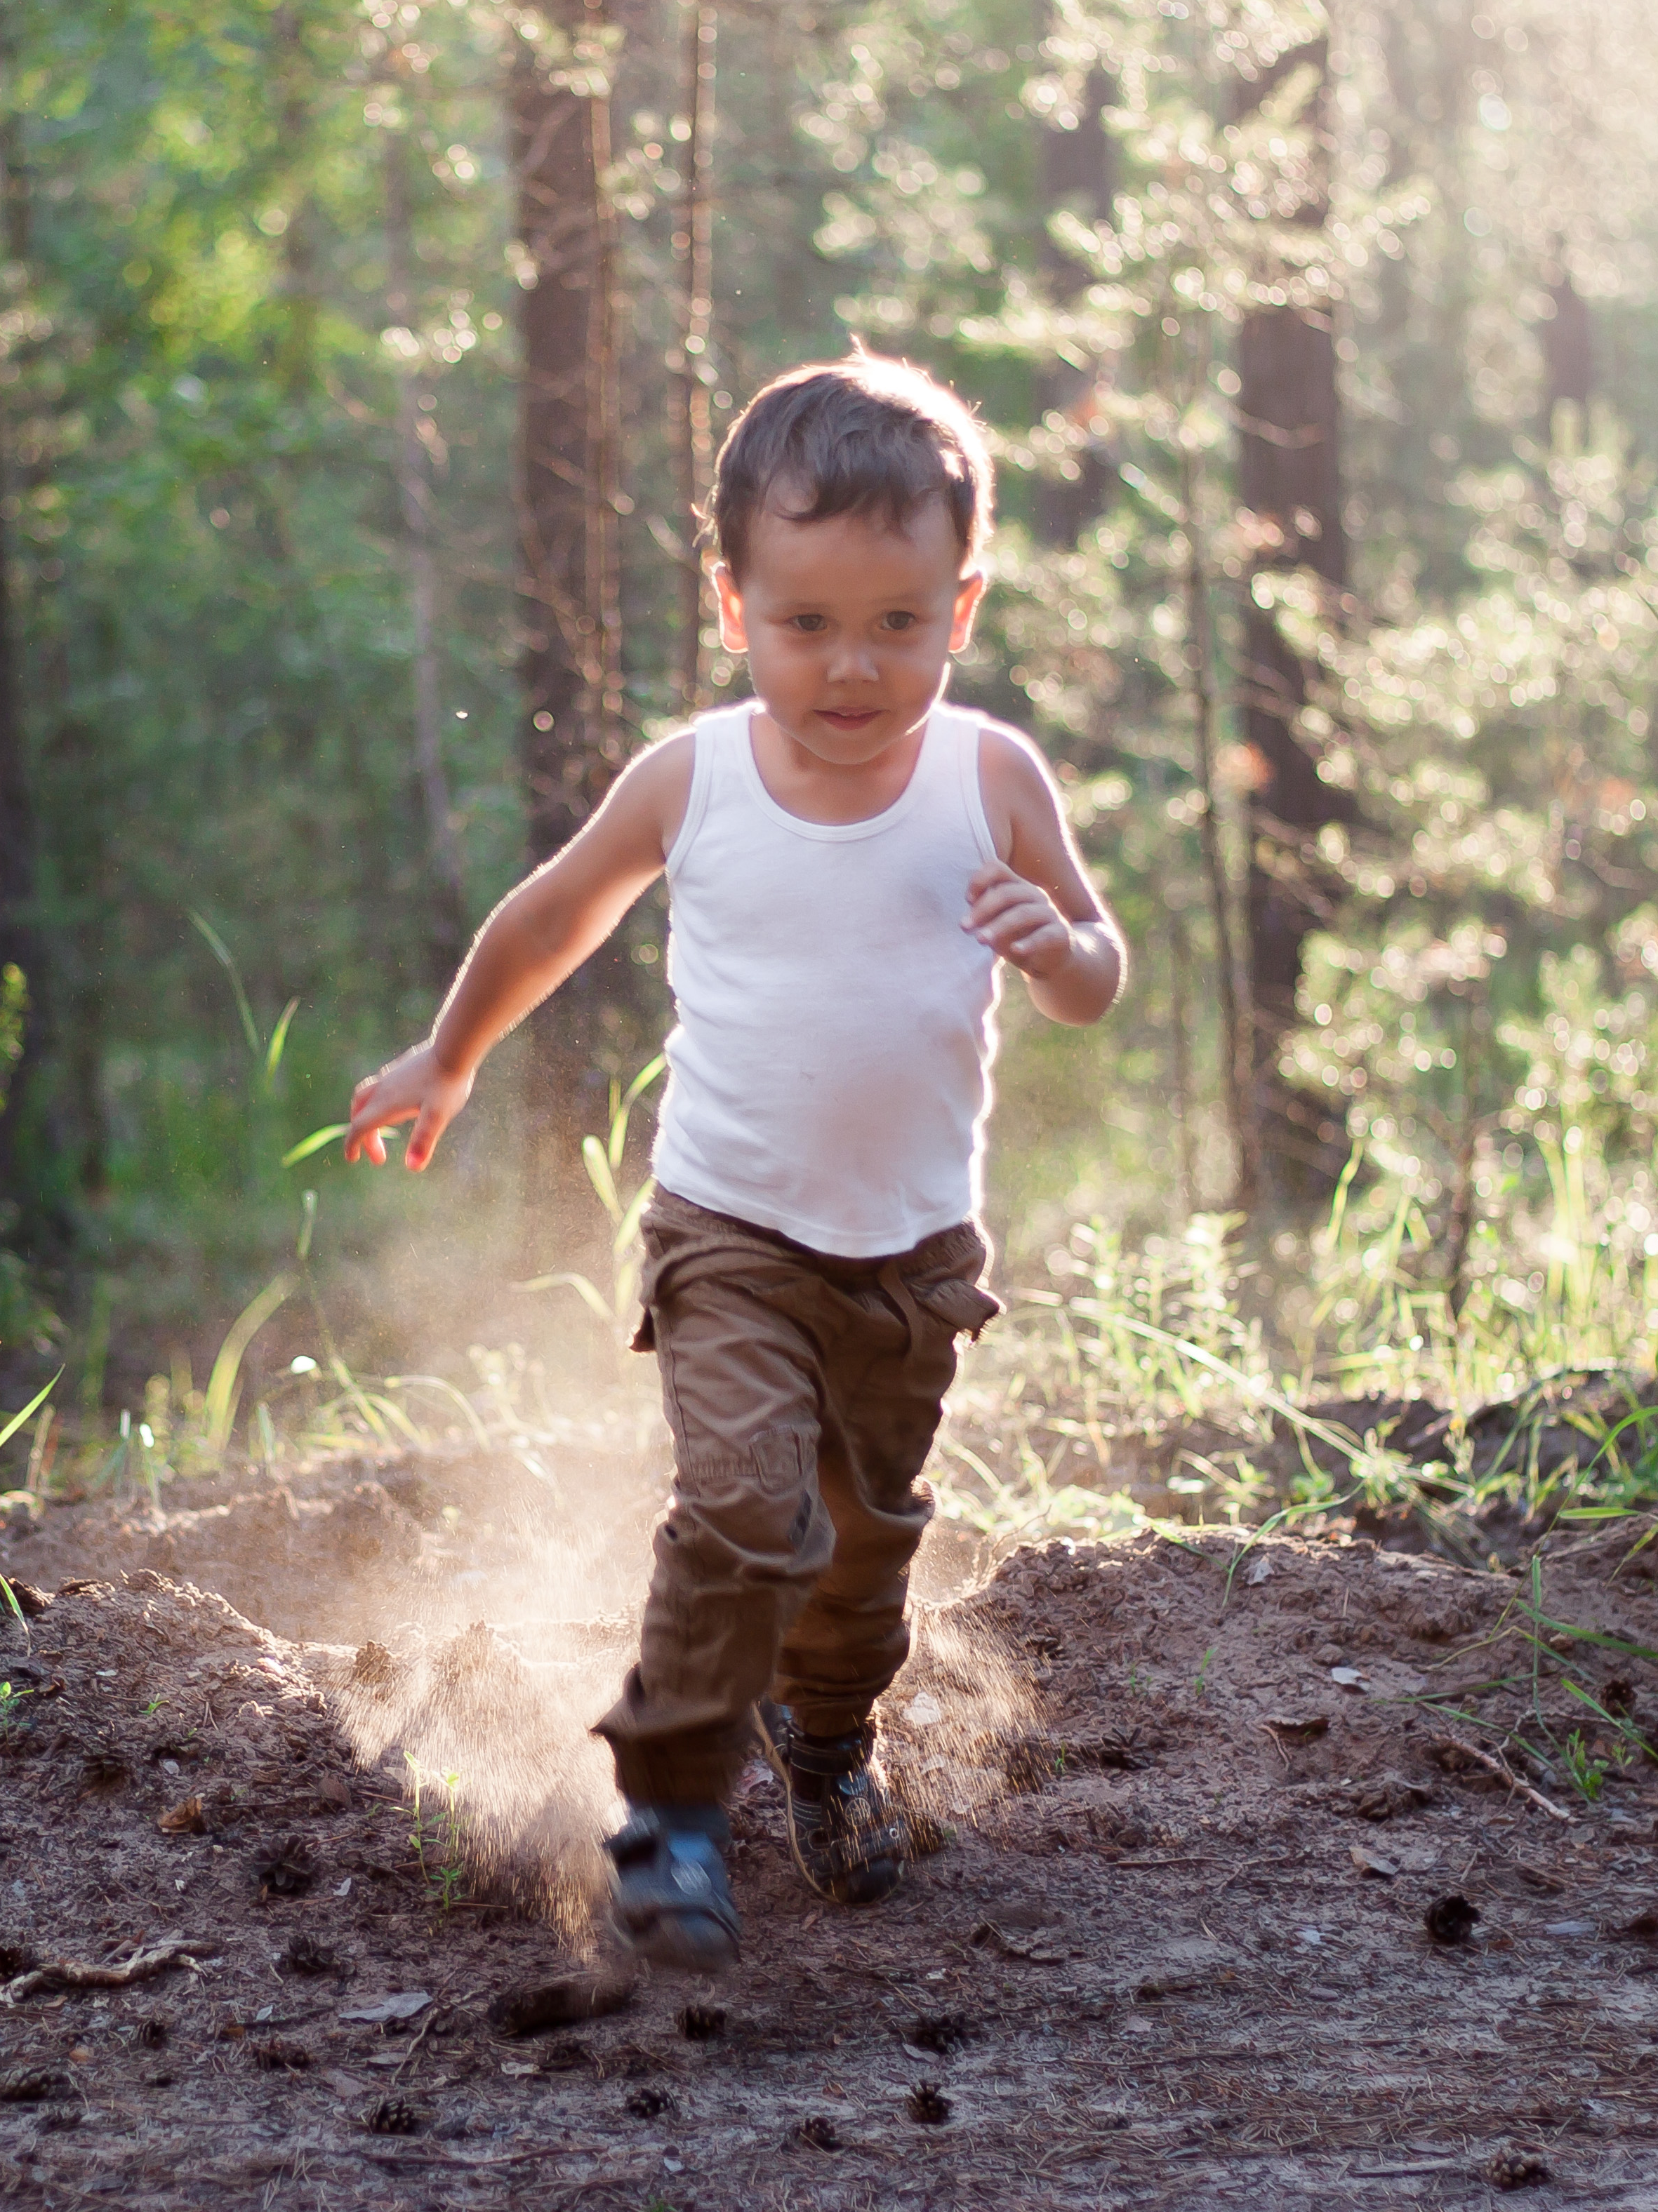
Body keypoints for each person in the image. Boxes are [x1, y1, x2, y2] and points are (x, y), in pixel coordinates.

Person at [342, 352, 1123, 1971]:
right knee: (747, 1508)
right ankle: (674, 1809)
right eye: (808, 624)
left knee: (858, 1556)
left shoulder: (990, 779)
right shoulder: (693, 781)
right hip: (731, 1238)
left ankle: (827, 1742)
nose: (853, 666)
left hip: (913, 1267)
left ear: (960, 609)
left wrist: (1061, 945)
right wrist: (451, 1053)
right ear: (731, 602)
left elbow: (1096, 966)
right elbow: (553, 912)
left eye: (897, 623)